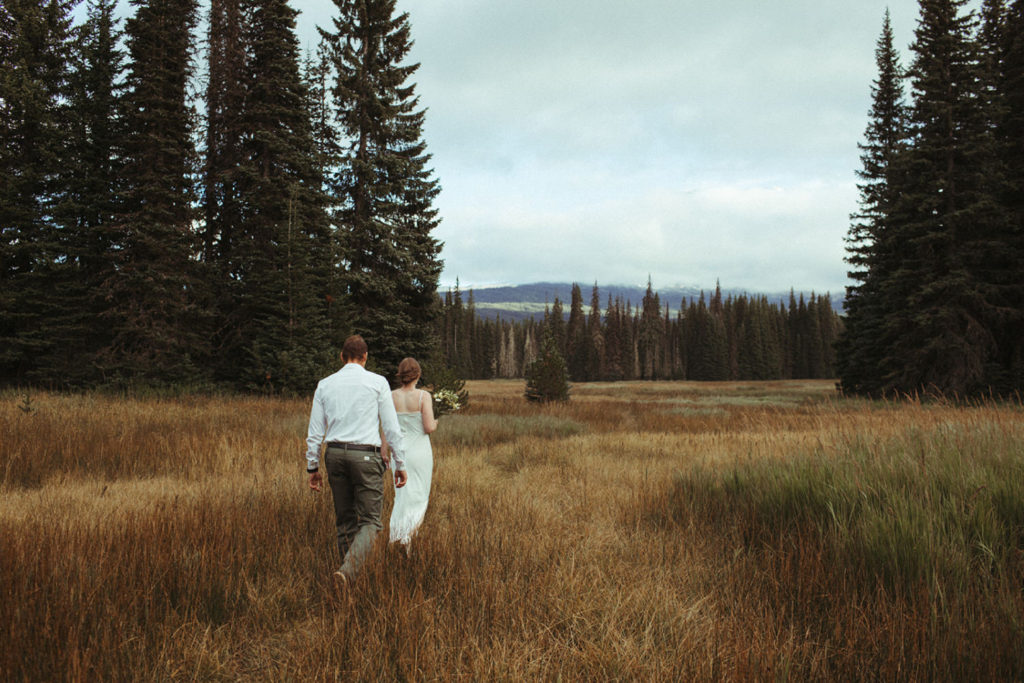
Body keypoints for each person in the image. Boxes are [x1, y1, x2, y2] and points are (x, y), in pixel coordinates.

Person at [305, 335, 408, 586]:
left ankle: (345, 580)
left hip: (335, 455)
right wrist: (400, 464)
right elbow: (392, 428)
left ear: (342, 357)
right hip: (366, 456)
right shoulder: (377, 383)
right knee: (371, 521)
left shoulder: (325, 384)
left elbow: (315, 431)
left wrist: (312, 466)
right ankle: (349, 572)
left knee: (345, 520)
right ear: (365, 357)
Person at [386, 357, 437, 553]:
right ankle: (407, 537)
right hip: (420, 452)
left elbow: (387, 428)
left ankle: (397, 535)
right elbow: (428, 427)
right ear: (417, 375)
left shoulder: (391, 396)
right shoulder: (424, 397)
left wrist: (384, 450)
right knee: (420, 496)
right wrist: (437, 424)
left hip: (399, 453)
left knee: (402, 496)